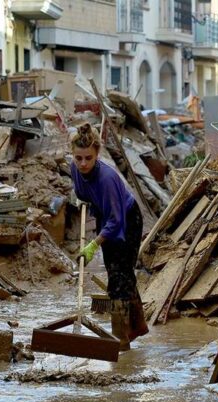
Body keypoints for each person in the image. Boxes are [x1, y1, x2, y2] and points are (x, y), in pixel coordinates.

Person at [70, 123, 148, 350]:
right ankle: (137, 326)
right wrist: (82, 198)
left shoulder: (107, 178)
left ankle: (120, 341)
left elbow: (116, 221)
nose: (83, 163)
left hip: (127, 220)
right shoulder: (75, 168)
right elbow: (82, 190)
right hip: (106, 215)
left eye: (88, 158)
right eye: (78, 158)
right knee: (118, 273)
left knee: (119, 279)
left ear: (97, 155)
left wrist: (93, 245)